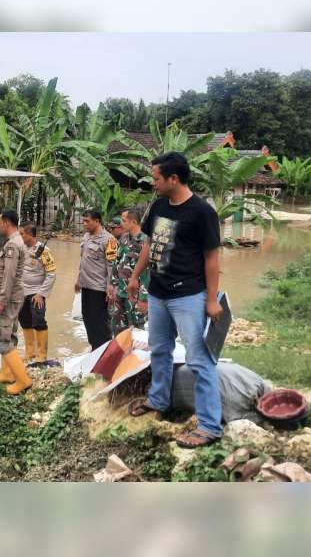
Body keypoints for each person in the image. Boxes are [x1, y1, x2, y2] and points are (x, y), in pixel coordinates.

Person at [126, 151, 224, 449]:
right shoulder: (157, 206)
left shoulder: (202, 212)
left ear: (174, 178)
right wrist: (135, 276)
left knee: (198, 359)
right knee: (160, 350)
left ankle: (209, 426)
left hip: (188, 296)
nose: (152, 182)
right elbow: (149, 245)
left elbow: (212, 258)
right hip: (158, 293)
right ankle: (159, 400)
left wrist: (211, 300)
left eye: (156, 178)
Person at [0, 209, 32, 394]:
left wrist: (1, 301)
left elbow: (9, 275)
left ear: (7, 222)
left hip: (8, 298)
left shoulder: (12, 245)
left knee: (0, 338)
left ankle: (23, 381)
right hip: (14, 297)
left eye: (0, 223)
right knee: (10, 335)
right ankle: (7, 373)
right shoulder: (15, 242)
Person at [75, 210, 117, 350]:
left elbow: (112, 266)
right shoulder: (86, 236)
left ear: (97, 221)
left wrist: (110, 287)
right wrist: (78, 279)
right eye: (84, 221)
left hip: (99, 288)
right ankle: (94, 350)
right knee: (87, 319)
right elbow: (83, 260)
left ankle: (104, 351)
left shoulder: (108, 240)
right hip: (86, 285)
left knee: (99, 322)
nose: (84, 224)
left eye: (87, 221)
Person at [18, 223, 57, 366]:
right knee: (24, 321)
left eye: (22, 234)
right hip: (21, 292)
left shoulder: (44, 251)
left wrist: (41, 293)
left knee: (38, 321)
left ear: (29, 234)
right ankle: (30, 352)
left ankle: (42, 355)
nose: (20, 236)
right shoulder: (20, 248)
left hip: (36, 293)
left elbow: (51, 274)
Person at [108, 208, 150, 335]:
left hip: (135, 295)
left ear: (134, 222)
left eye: (124, 220)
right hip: (121, 291)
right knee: (118, 327)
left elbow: (147, 271)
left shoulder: (145, 242)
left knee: (138, 330)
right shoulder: (123, 239)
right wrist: (112, 284)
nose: (121, 224)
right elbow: (117, 262)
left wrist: (143, 297)